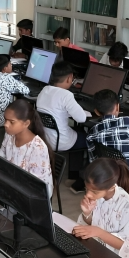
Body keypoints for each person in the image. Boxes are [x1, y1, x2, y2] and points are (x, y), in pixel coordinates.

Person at [73, 158, 129, 258]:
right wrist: (87, 214)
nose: (88, 194)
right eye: (86, 189)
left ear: (111, 187)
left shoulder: (127, 205)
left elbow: (124, 245)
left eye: (94, 192)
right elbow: (94, 223)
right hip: (101, 252)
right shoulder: (98, 195)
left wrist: (98, 232)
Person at [87, 89, 129, 190]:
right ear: (117, 107)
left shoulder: (92, 133)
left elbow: (94, 162)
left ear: (96, 112)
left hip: (111, 184)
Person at [37, 61, 90, 192]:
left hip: (45, 138)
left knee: (78, 130)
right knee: (90, 138)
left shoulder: (44, 90)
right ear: (69, 78)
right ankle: (81, 179)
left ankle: (73, 175)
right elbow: (81, 118)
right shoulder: (66, 95)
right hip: (61, 141)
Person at [0, 54, 30, 126]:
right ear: (5, 68)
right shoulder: (6, 78)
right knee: (23, 116)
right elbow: (25, 90)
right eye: (10, 64)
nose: (11, 65)